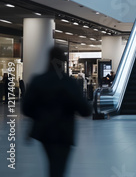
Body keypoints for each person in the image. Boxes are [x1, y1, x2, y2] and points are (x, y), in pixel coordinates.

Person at [22, 47, 91, 177]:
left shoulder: (38, 80)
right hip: (64, 132)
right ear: (63, 62)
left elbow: (26, 108)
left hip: (45, 131)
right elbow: (85, 110)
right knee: (59, 167)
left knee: (53, 164)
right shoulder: (68, 83)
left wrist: (40, 115)